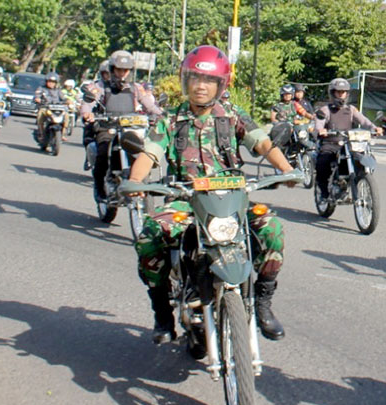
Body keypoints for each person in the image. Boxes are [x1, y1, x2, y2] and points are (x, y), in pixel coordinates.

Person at [124, 45, 296, 343]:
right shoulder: (170, 119)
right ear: (185, 81)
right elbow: (150, 153)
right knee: (149, 237)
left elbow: (263, 143)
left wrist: (287, 170)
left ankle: (263, 303)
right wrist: (135, 183)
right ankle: (162, 313)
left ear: (220, 85)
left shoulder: (231, 116)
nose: (200, 86)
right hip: (185, 199)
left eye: (208, 81)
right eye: (195, 79)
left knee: (272, 229)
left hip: (232, 199)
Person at [80, 51, 163, 200]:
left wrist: (161, 115)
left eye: (126, 70)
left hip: (130, 128)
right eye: (119, 70)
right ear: (112, 69)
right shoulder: (99, 86)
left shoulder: (136, 88)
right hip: (107, 127)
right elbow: (88, 103)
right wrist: (87, 113)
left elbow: (150, 105)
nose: (122, 74)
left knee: (144, 152)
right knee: (103, 154)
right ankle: (99, 188)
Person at [314, 77, 383, 202]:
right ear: (332, 93)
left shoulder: (351, 110)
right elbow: (319, 123)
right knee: (322, 163)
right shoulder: (325, 110)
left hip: (348, 143)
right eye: (338, 92)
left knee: (361, 157)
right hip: (330, 143)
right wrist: (320, 130)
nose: (341, 95)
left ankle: (358, 181)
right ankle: (324, 193)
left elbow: (363, 121)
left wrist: (375, 128)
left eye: (343, 92)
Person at [81, 60, 111, 171]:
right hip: (100, 117)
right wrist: (87, 113)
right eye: (107, 73)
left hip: (122, 120)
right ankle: (89, 157)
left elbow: (141, 102)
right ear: (102, 74)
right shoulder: (96, 86)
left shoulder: (126, 87)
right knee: (89, 131)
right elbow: (88, 103)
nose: (110, 76)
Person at [34, 72, 69, 142]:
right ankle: (41, 133)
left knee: (66, 115)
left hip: (57, 108)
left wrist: (68, 101)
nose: (51, 83)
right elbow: (37, 96)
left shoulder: (58, 90)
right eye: (49, 81)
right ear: (46, 81)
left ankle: (63, 134)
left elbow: (64, 98)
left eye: (53, 82)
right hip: (45, 107)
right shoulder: (41, 88)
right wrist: (37, 99)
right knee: (40, 114)